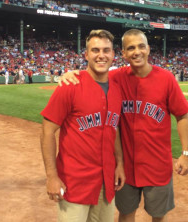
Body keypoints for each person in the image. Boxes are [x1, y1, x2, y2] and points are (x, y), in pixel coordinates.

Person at [59, 29, 188, 222]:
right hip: (125, 167)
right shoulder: (116, 78)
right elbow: (92, 74)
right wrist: (72, 74)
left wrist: (186, 153)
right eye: (131, 48)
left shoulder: (166, 78)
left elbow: (182, 116)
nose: (136, 51)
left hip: (157, 165)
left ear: (148, 49)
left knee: (158, 215)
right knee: (126, 213)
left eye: (141, 46)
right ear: (123, 53)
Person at [40, 29, 126, 222]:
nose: (101, 55)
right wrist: (51, 176)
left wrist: (120, 163)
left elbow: (115, 129)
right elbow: (47, 131)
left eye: (106, 50)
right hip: (74, 183)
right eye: (95, 50)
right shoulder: (70, 86)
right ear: (86, 55)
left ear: (113, 55)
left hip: (106, 181)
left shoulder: (117, 90)